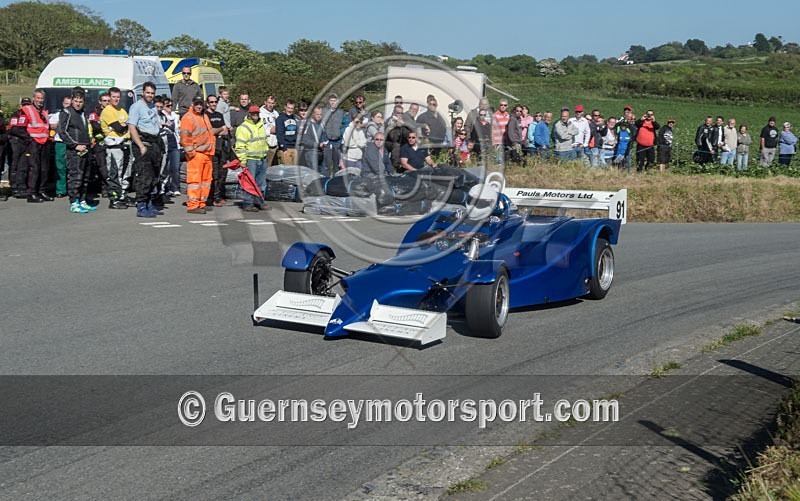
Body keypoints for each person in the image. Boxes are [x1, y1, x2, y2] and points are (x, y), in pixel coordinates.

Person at [127, 81, 164, 218]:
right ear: (143, 92)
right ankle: (141, 205)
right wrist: (141, 146)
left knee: (154, 177)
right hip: (143, 143)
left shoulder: (153, 107)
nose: (150, 95)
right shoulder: (136, 107)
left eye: (152, 93)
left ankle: (149, 203)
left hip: (154, 143)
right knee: (144, 176)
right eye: (147, 92)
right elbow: (132, 127)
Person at [181, 95, 222, 214]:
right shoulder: (188, 118)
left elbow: (209, 133)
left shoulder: (204, 116)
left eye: (201, 104)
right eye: (197, 104)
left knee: (206, 181)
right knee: (195, 181)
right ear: (192, 104)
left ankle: (201, 203)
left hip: (207, 153)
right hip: (196, 154)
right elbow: (185, 138)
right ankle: (193, 205)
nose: (199, 106)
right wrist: (191, 153)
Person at [58, 87, 94, 213]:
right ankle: (74, 202)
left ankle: (82, 200)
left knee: (85, 177)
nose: (78, 104)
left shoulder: (84, 112)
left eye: (80, 101)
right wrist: (74, 145)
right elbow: (62, 131)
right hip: (74, 150)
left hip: (86, 147)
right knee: (75, 176)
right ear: (72, 100)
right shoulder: (66, 112)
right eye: (76, 101)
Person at [101, 87, 133, 208]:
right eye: (113, 97)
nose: (116, 99)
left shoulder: (122, 110)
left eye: (118, 97)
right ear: (109, 98)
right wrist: (123, 126)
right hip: (114, 146)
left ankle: (123, 196)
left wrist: (125, 125)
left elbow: (130, 125)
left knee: (126, 173)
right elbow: (119, 129)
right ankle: (114, 199)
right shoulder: (108, 111)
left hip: (125, 144)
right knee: (115, 173)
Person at [234, 105, 269, 212]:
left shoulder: (261, 125)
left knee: (261, 183)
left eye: (257, 113)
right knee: (249, 182)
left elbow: (263, 141)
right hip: (250, 159)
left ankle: (259, 201)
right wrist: (243, 160)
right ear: (249, 114)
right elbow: (240, 146)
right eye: (253, 113)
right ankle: (248, 203)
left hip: (262, 158)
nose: (255, 115)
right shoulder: (243, 128)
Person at [20, 89, 52, 203]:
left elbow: (45, 127)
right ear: (33, 98)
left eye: (42, 98)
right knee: (34, 168)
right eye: (38, 98)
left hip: (44, 143)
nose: (40, 100)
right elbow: (19, 128)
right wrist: (29, 139)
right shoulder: (27, 110)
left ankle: (41, 191)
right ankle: (31, 193)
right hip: (33, 143)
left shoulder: (44, 112)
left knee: (44, 169)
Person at [205, 95, 230, 206]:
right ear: (207, 103)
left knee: (222, 172)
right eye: (211, 102)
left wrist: (218, 131)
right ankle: (212, 197)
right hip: (211, 148)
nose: (214, 104)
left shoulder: (219, 115)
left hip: (221, 147)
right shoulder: (205, 115)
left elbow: (225, 131)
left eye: (215, 102)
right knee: (214, 173)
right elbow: (211, 131)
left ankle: (219, 195)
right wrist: (220, 129)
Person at [7, 98, 32, 198]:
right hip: (16, 142)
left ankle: (22, 187)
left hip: (25, 143)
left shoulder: (31, 115)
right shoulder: (16, 114)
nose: (26, 107)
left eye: (28, 105)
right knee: (15, 165)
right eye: (24, 105)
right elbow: (13, 129)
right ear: (21, 105)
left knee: (23, 166)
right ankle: (14, 187)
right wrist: (27, 136)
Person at [87, 93, 109, 197]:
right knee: (102, 166)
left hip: (112, 142)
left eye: (108, 101)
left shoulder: (114, 112)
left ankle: (108, 187)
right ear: (100, 102)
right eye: (104, 101)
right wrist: (110, 127)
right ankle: (104, 188)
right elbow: (96, 126)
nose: (107, 103)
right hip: (99, 143)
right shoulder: (94, 113)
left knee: (111, 166)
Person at [50, 95, 71, 197]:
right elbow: (52, 125)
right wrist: (62, 123)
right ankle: (60, 190)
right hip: (60, 143)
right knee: (60, 167)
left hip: (72, 143)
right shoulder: (57, 115)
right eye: (66, 103)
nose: (68, 106)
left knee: (73, 168)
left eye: (70, 104)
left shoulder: (76, 115)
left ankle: (73, 189)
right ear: (63, 104)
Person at [160, 98, 181, 196]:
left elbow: (177, 130)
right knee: (166, 168)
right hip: (165, 143)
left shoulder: (175, 116)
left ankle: (175, 187)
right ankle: (165, 187)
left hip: (175, 143)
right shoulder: (161, 116)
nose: (170, 107)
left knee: (175, 167)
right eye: (167, 105)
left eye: (171, 105)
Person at [321, 93, 345, 177]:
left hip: (337, 142)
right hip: (327, 142)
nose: (333, 102)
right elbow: (320, 124)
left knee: (336, 165)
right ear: (329, 101)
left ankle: (335, 181)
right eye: (331, 100)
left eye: (334, 100)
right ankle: (325, 180)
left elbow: (345, 124)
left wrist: (340, 133)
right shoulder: (324, 111)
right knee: (326, 165)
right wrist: (323, 137)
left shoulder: (341, 112)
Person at [299, 105, 326, 173]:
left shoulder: (321, 124)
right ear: (313, 114)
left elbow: (324, 136)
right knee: (313, 174)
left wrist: (324, 143)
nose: (319, 116)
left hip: (321, 152)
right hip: (311, 153)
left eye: (320, 114)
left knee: (322, 173)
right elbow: (304, 140)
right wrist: (318, 144)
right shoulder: (308, 124)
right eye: (317, 114)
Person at [275, 99, 298, 165]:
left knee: (294, 169)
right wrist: (283, 148)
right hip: (285, 148)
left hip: (294, 147)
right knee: (287, 169)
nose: (290, 110)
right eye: (288, 108)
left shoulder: (295, 118)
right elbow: (279, 134)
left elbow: (296, 132)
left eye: (292, 108)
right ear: (285, 107)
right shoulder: (280, 118)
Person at [259, 95, 280, 167]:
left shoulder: (276, 113)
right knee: (265, 167)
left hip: (275, 145)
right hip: (265, 145)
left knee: (274, 168)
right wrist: (270, 131)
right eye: (269, 103)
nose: (270, 105)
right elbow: (258, 129)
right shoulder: (260, 113)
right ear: (265, 102)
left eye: (272, 103)